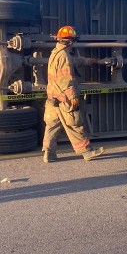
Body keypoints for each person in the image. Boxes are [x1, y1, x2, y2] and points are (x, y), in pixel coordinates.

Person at [42, 25, 105, 162]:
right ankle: (86, 152)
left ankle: (48, 153)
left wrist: (93, 61)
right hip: (64, 98)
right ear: (70, 41)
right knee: (75, 123)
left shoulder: (55, 53)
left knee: (52, 126)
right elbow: (66, 80)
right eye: (73, 40)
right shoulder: (64, 56)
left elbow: (76, 61)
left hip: (53, 97)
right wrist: (73, 97)